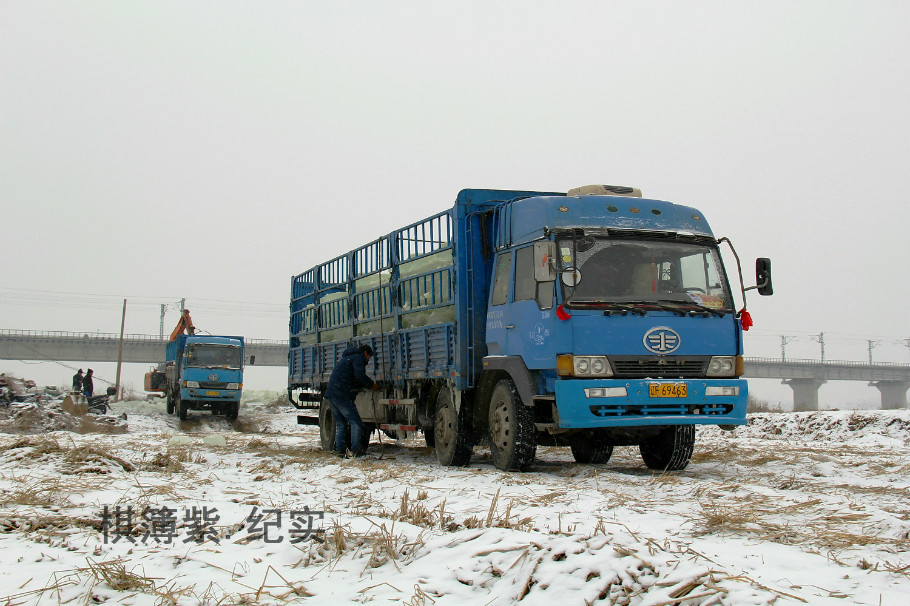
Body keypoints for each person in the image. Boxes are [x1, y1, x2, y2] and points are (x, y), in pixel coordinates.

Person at [324, 344, 378, 457]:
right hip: (341, 395)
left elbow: (351, 376)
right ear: (365, 353)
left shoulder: (348, 358)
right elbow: (360, 376)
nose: (368, 359)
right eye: (369, 356)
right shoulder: (358, 358)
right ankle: (356, 450)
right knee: (356, 422)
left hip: (332, 393)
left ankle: (341, 451)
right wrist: (371, 385)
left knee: (341, 424)